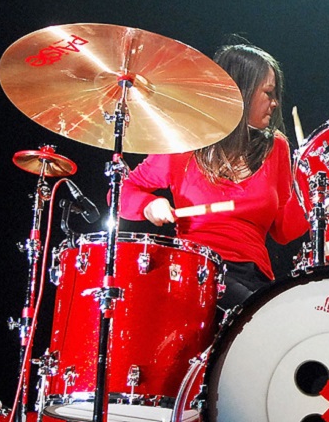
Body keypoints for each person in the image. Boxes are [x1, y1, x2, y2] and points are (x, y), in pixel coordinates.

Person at [118, 41, 309, 320]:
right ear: (241, 92)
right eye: (268, 92)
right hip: (198, 271)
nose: (275, 102)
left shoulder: (276, 148)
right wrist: (149, 205)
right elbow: (124, 190)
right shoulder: (186, 141)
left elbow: (282, 230)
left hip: (255, 278)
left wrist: (310, 191)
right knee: (261, 318)